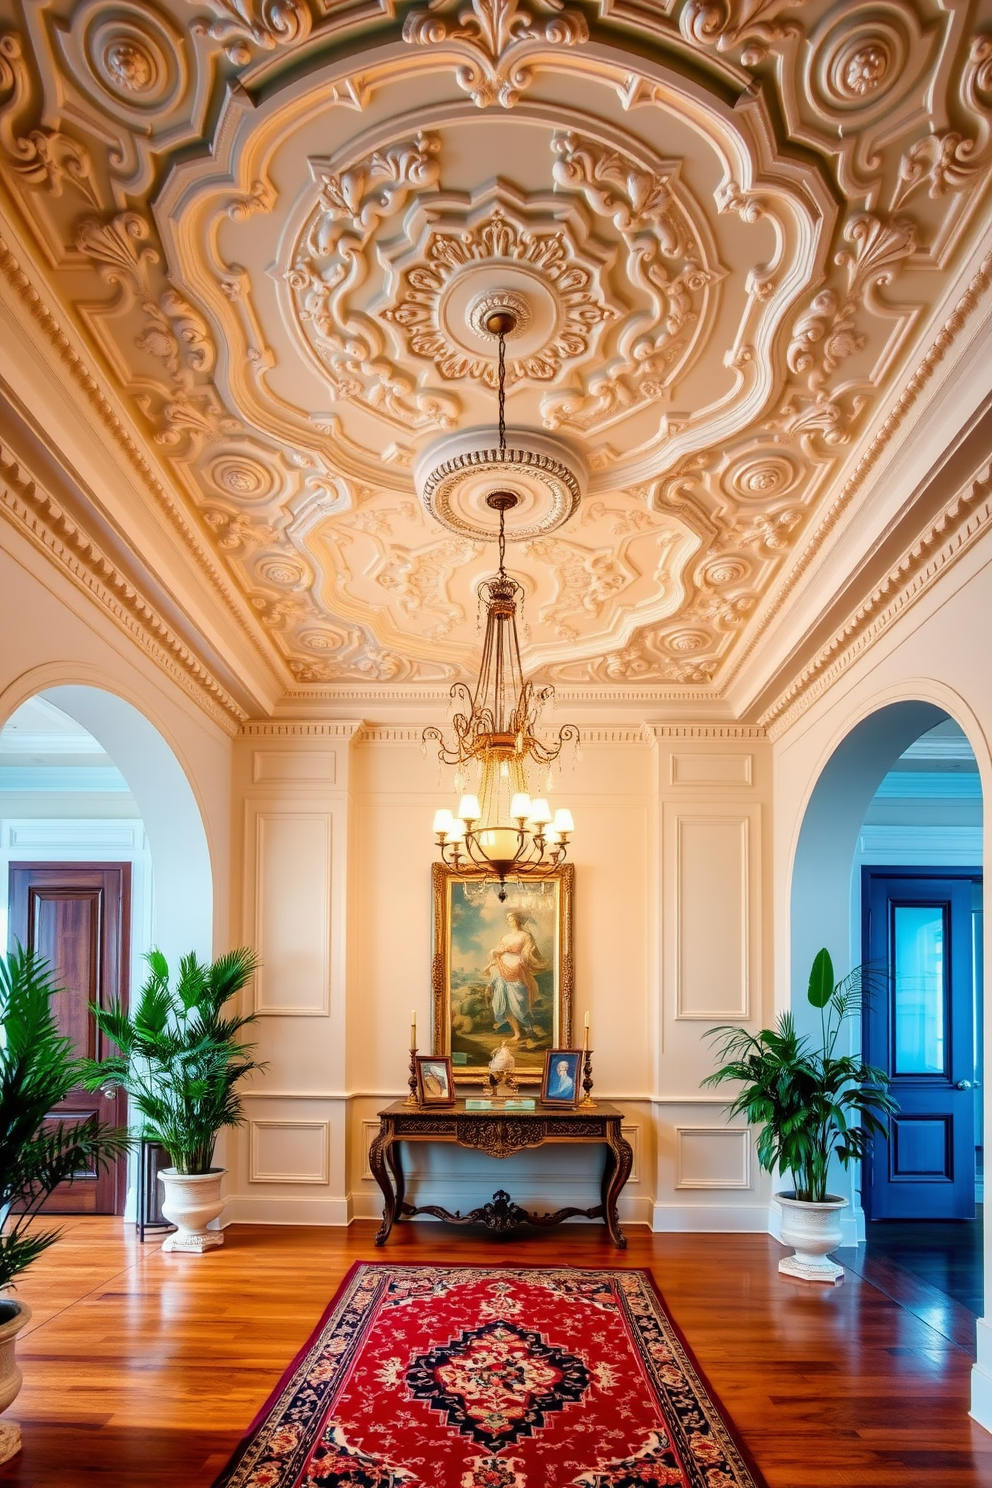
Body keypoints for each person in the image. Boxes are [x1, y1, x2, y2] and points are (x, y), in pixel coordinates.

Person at [485, 909, 548, 1045]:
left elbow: (528, 953)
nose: (509, 921)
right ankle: (517, 1033)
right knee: (506, 1004)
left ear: (518, 919)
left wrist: (523, 957)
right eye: (508, 919)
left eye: (512, 918)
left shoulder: (525, 936)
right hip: (502, 969)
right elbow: (495, 953)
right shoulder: (504, 938)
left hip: (517, 969)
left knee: (519, 1002)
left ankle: (530, 1029)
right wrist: (498, 951)